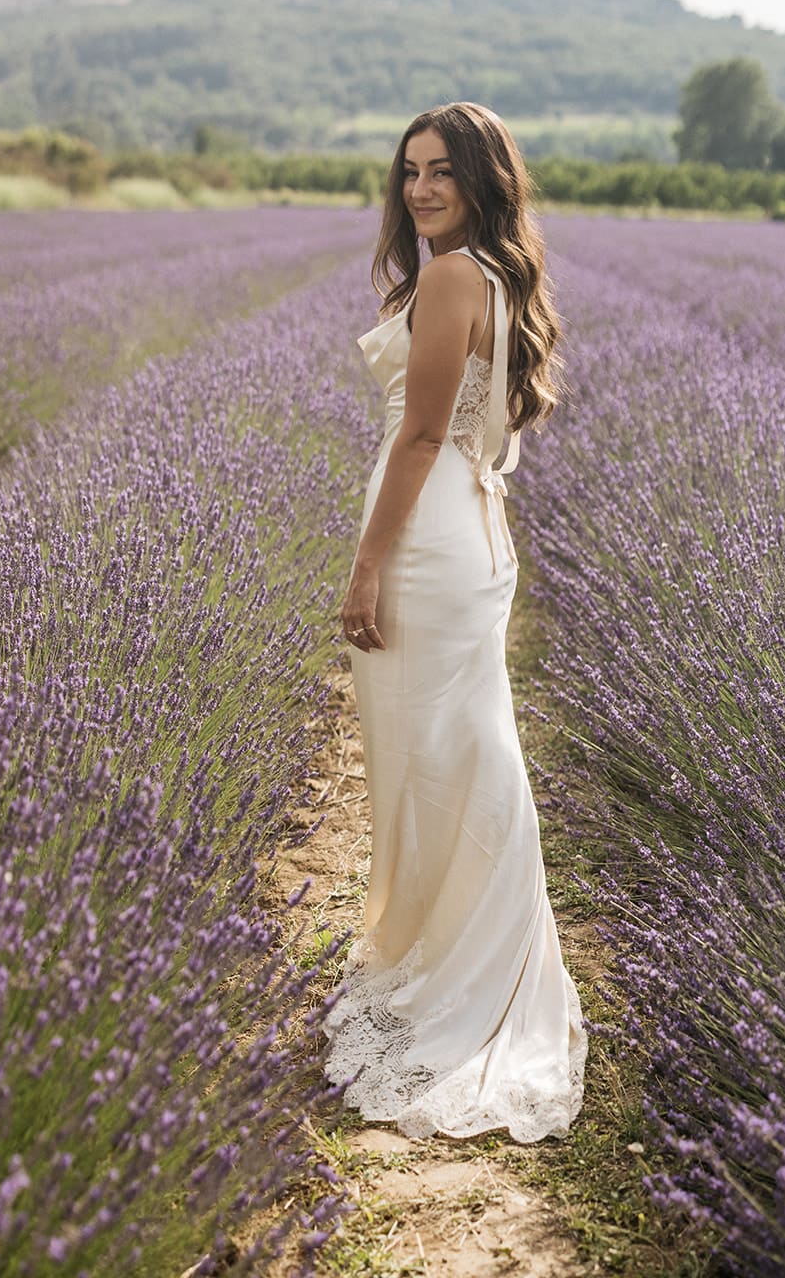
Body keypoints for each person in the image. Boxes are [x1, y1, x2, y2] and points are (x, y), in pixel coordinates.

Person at [324, 102, 587, 1142]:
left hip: (428, 541)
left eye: (441, 170)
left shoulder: (447, 276)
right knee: (461, 753)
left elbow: (425, 433)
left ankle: (456, 970)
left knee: (442, 758)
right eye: (408, 171)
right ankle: (462, 955)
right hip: (467, 535)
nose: (420, 187)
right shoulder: (490, 274)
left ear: (481, 178)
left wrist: (365, 568)